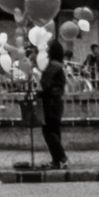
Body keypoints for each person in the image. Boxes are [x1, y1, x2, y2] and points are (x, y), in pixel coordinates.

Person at [38, 39, 69, 169]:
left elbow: (45, 84)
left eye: (49, 48)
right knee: (54, 130)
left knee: (48, 130)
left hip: (50, 99)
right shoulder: (59, 65)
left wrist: (38, 90)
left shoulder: (53, 66)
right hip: (57, 100)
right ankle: (56, 161)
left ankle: (61, 157)